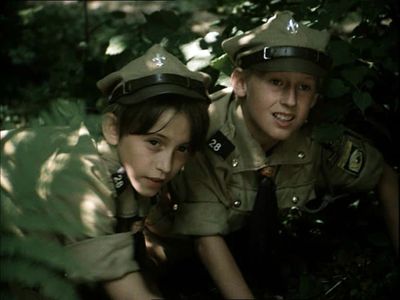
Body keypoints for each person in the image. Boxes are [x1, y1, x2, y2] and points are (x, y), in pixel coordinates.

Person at [160, 11, 399, 299]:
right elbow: (205, 241)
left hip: (257, 255)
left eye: (304, 87)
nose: (290, 101)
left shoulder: (315, 140)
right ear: (240, 83)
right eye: (276, 82)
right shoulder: (204, 134)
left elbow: (383, 174)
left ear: (315, 99)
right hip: (174, 253)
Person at [0, 44, 210, 300]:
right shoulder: (78, 173)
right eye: (154, 142)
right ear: (112, 128)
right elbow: (122, 287)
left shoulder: (134, 167)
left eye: (182, 148)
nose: (166, 166)